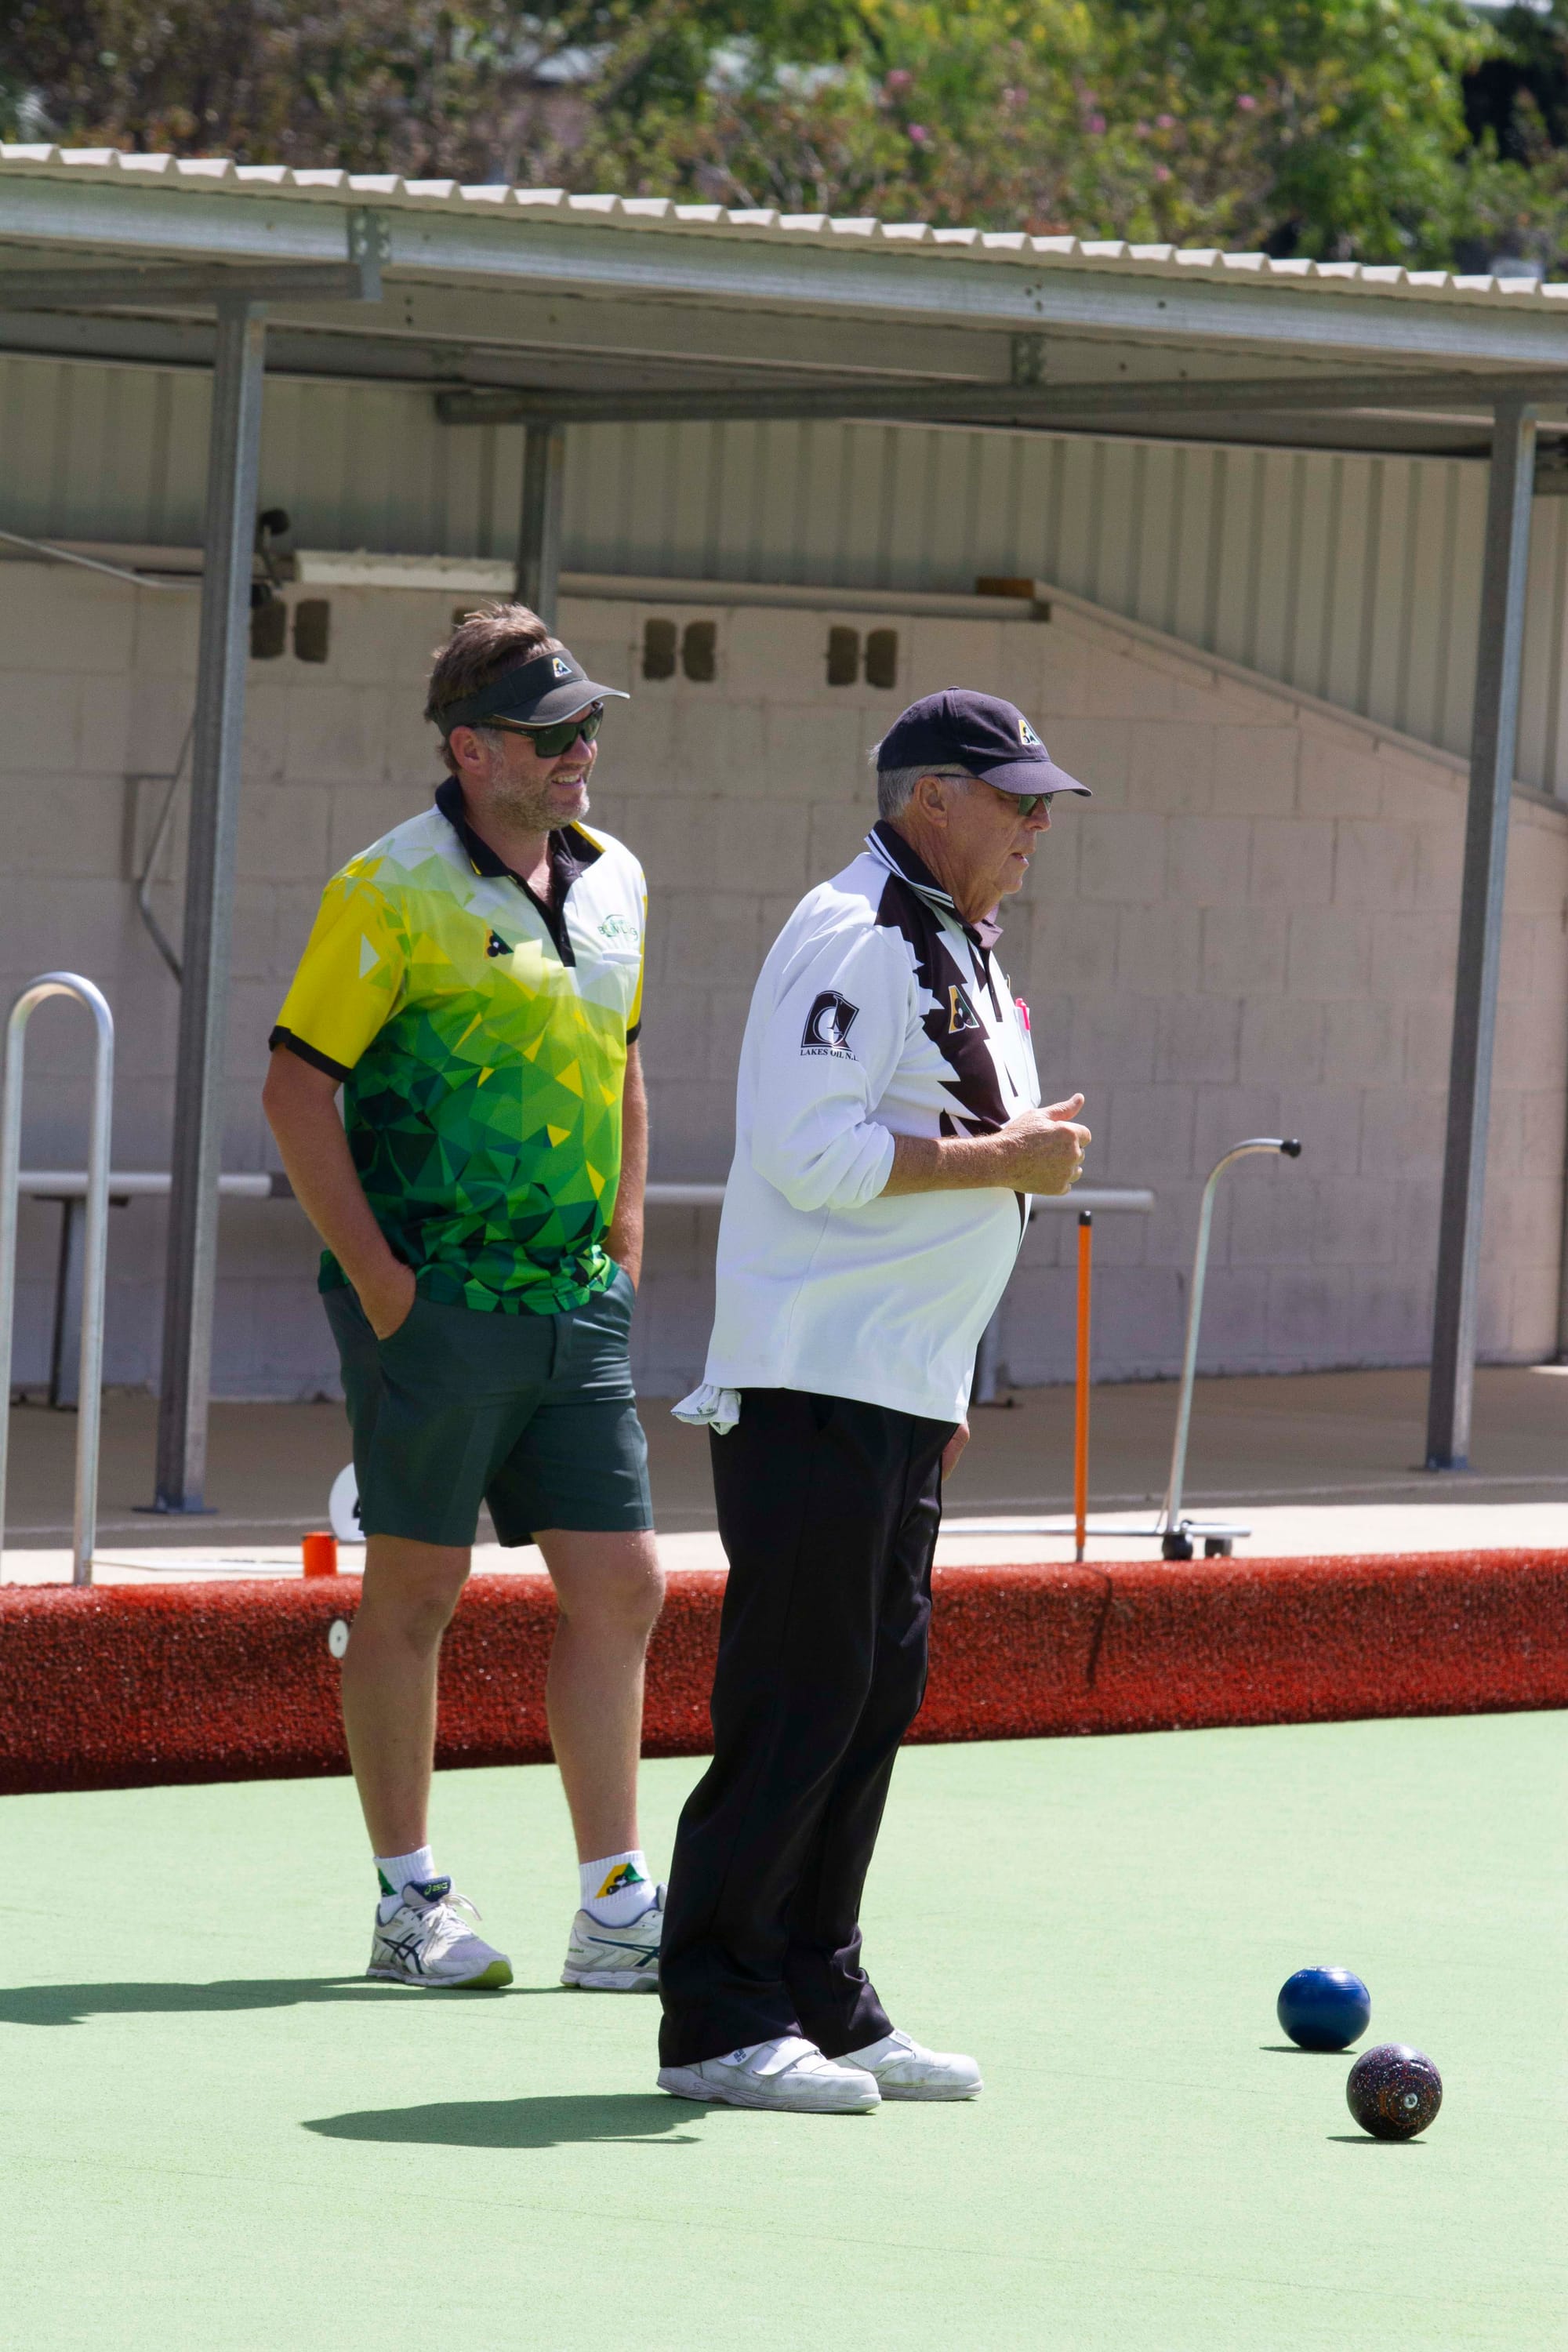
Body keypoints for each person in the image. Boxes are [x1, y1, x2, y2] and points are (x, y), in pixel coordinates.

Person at [658, 688, 1092, 2112]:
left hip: (896, 1385)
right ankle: (718, 2014)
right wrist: (1005, 1164)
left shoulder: (954, 937)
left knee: (872, 1690)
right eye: (1015, 800)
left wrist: (948, 1370)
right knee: (798, 1695)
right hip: (813, 1378)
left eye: (1041, 805)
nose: (1036, 828)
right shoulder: (855, 930)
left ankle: (820, 1993)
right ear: (931, 800)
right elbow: (811, 1154)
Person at [263, 603, 666, 1994]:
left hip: (576, 1302)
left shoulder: (617, 881)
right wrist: (383, 1285)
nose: (581, 755)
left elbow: (623, 1061)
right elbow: (294, 1091)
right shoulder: (388, 891)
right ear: (471, 748)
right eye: (553, 735)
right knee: (415, 1592)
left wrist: (622, 1233)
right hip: (433, 1307)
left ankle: (615, 1909)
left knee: (622, 1588)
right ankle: (405, 1902)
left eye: (589, 727)